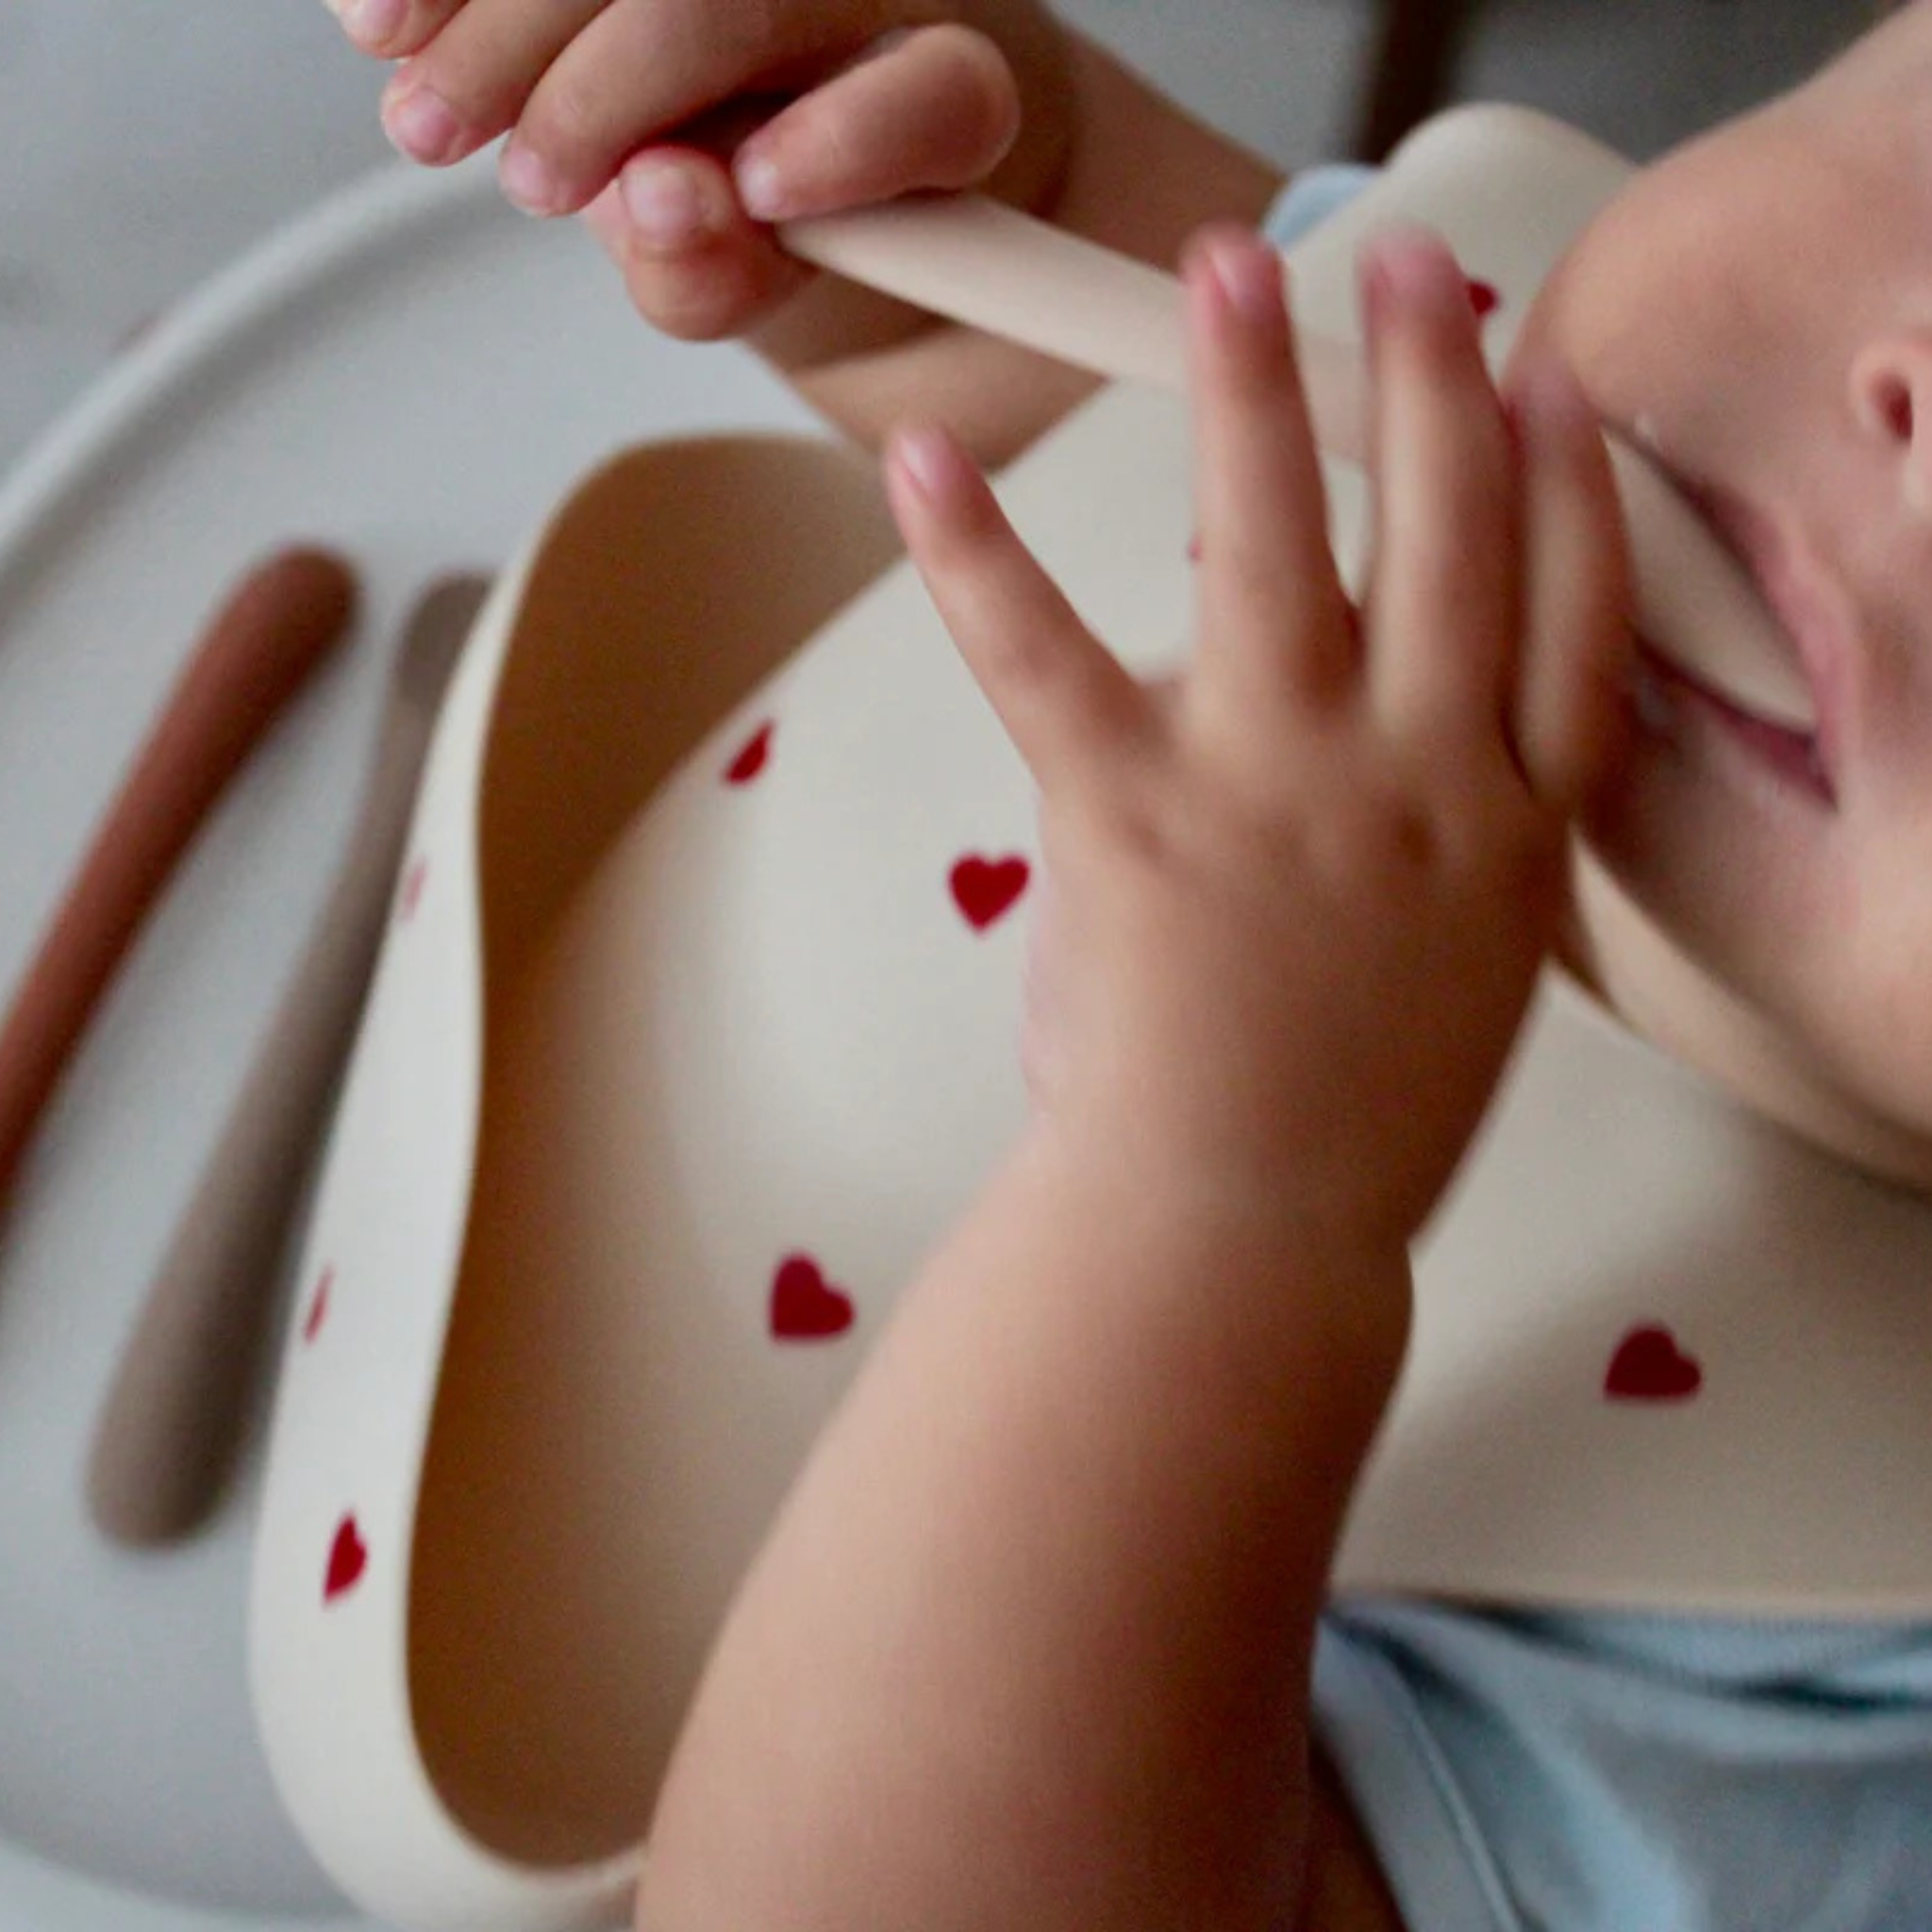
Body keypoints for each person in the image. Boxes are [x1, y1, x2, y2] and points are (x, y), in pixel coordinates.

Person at [319, 2, 1932, 1925]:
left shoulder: (1858, 1691)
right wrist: (907, 170)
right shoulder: (1472, 322)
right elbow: (1078, 391)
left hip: (530, 1675)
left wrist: (1219, 1199)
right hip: (466, 984)